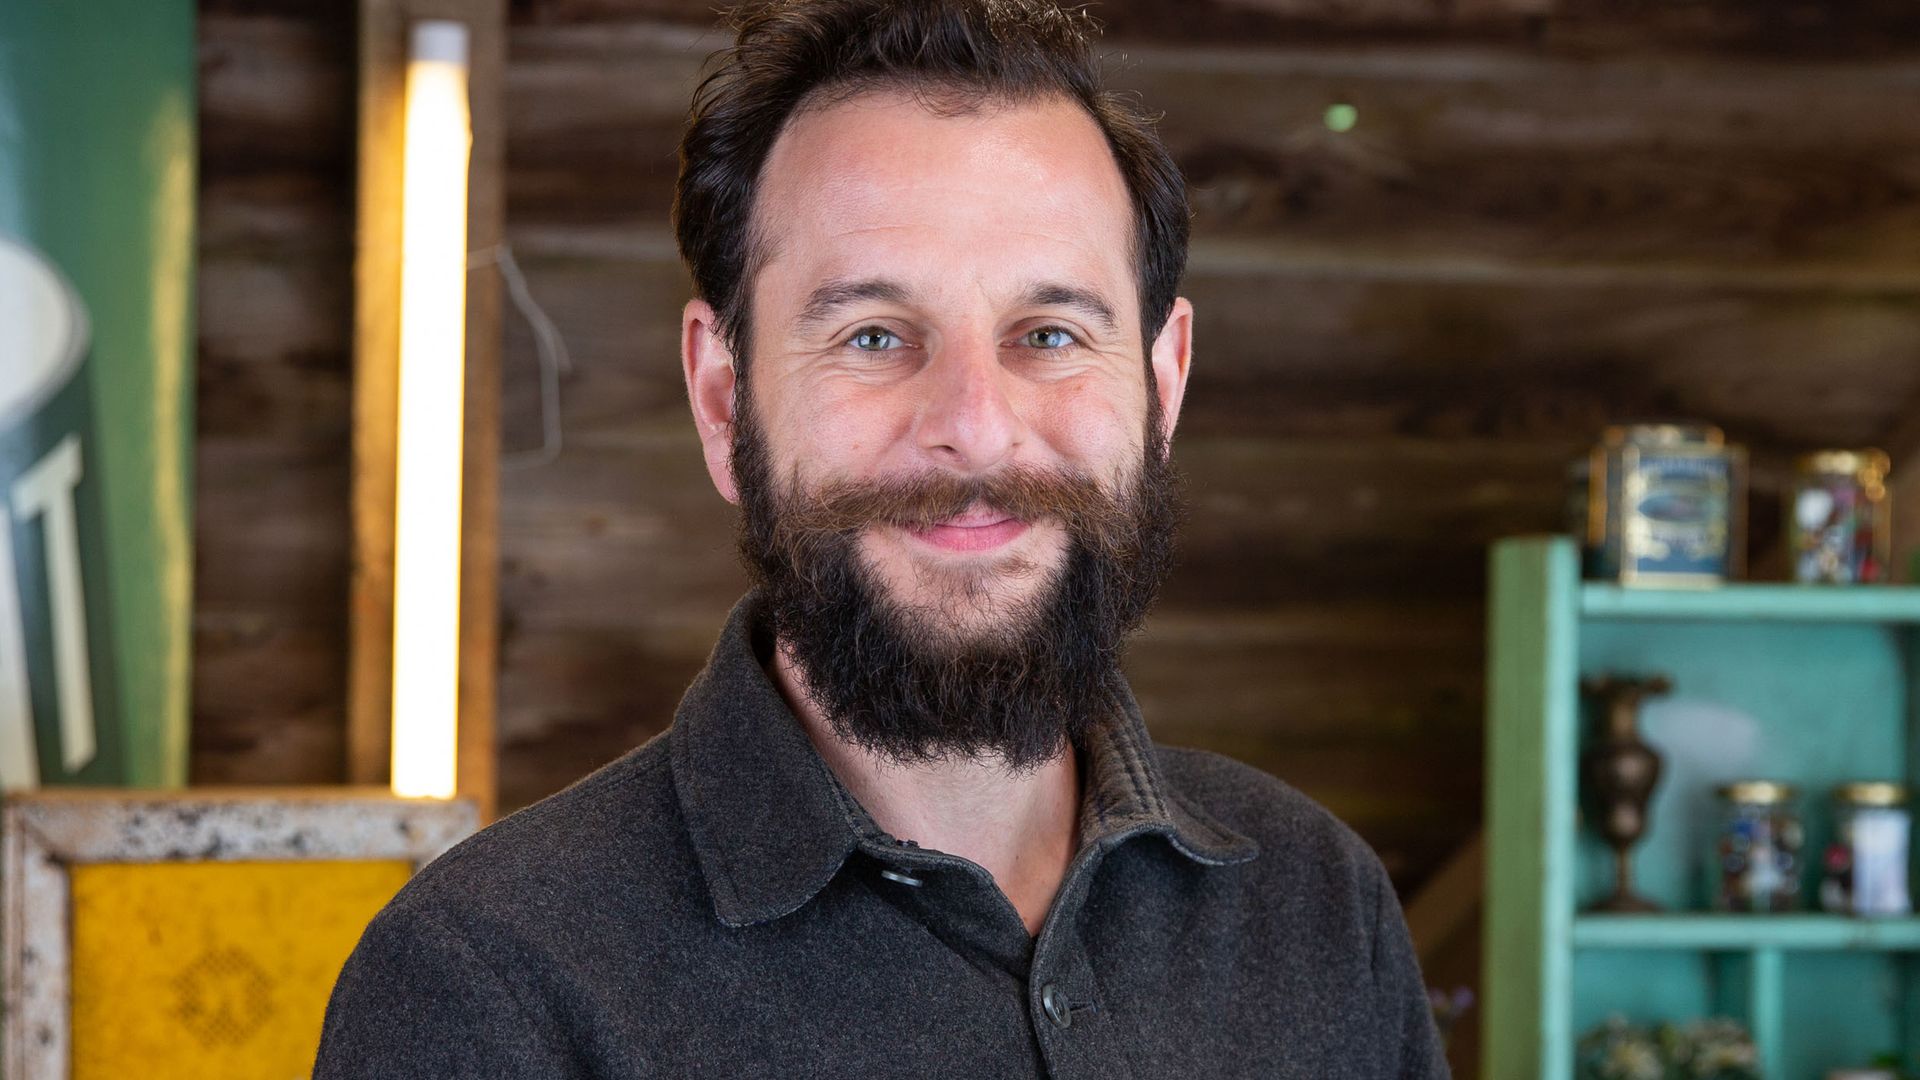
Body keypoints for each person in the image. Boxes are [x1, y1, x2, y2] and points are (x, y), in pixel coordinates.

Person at [312, 1, 1450, 1076]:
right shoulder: (490, 986)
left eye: (1049, 334)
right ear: (723, 399)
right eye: (871, 336)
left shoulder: (1318, 908)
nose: (973, 425)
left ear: (1163, 384)